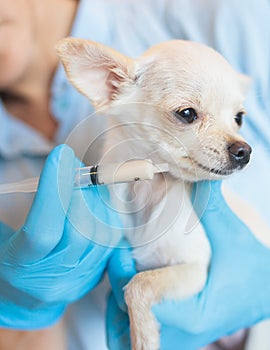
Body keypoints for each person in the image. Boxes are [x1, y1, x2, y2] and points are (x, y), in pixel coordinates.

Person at [1, 0, 270, 349]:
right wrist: (16, 313)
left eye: (238, 118)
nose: (238, 143)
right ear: (107, 83)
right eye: (188, 113)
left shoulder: (227, 18)